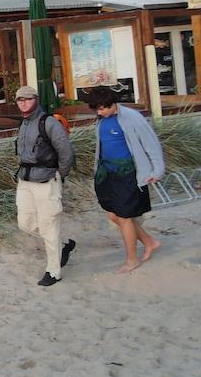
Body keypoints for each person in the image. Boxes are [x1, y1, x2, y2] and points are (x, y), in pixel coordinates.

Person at [85, 86, 164, 273]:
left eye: (102, 108)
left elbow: (151, 143)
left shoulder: (132, 117)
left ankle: (132, 259)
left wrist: (158, 170)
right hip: (107, 173)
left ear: (112, 103)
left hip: (128, 173)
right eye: (97, 109)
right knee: (113, 215)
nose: (99, 112)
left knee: (124, 217)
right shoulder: (101, 119)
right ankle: (150, 242)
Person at [13, 86, 77, 286]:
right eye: (20, 100)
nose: (23, 102)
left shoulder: (48, 122)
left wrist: (59, 175)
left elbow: (66, 152)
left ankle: (54, 271)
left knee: (48, 225)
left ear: (36, 99)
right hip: (25, 179)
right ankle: (62, 245)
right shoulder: (23, 123)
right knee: (25, 223)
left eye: (27, 99)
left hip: (46, 179)